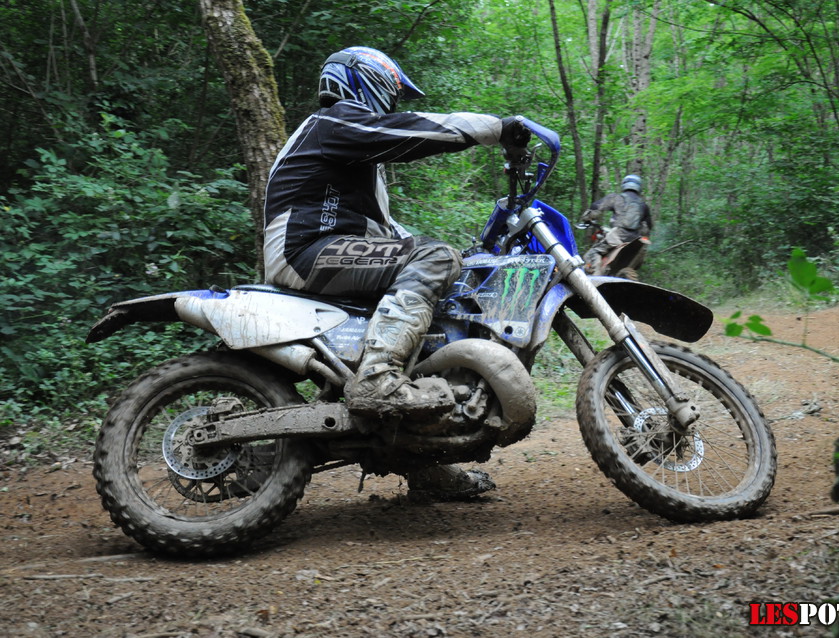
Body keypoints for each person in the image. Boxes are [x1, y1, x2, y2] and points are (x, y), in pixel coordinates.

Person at [262, 46, 528, 500]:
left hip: (324, 250)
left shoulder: (349, 152)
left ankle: (423, 458)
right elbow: (411, 130)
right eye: (393, 92)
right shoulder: (334, 123)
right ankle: (377, 378)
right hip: (306, 250)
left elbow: (384, 234)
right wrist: (494, 128)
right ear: (369, 80)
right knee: (435, 257)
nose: (393, 103)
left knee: (440, 280)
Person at [580, 174, 653, 275]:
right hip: (635, 240)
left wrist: (587, 217)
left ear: (624, 184)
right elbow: (648, 227)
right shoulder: (643, 205)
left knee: (593, 253)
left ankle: (595, 277)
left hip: (617, 236)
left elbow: (596, 207)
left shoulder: (616, 198)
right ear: (639, 187)